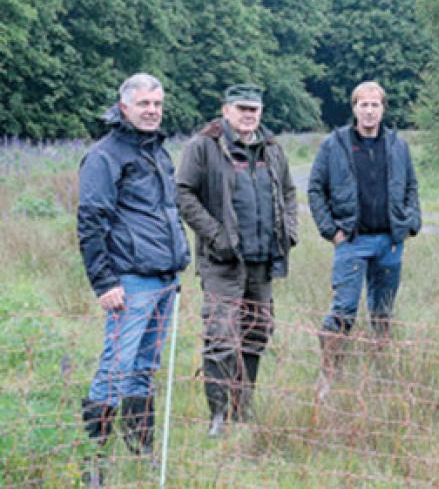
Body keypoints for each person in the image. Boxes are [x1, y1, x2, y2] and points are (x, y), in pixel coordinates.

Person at [77, 73, 190, 485]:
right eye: (144, 104)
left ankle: (140, 454)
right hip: (130, 280)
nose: (152, 110)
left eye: (157, 104)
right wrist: (105, 282)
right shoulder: (105, 156)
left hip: (164, 279)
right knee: (116, 367)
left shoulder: (158, 152)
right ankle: (93, 461)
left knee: (145, 368)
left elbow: (166, 212)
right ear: (124, 106)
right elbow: (91, 221)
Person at [176, 83, 298, 436]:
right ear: (225, 110)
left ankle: (242, 410)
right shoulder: (204, 147)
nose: (248, 115)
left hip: (263, 262)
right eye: (241, 108)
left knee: (256, 334)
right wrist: (215, 235)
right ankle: (218, 415)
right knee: (220, 336)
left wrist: (288, 231)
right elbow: (184, 193)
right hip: (223, 263)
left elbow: (289, 192)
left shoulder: (272, 149)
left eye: (254, 109)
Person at [308, 81, 421, 398]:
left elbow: (411, 187)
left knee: (383, 311)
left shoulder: (398, 146)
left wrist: (410, 225)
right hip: (352, 241)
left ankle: (383, 374)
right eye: (363, 105)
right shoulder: (335, 144)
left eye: (375, 105)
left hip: (390, 242)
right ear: (354, 108)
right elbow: (316, 189)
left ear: (383, 108)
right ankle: (329, 376)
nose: (369, 111)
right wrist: (330, 230)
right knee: (344, 309)